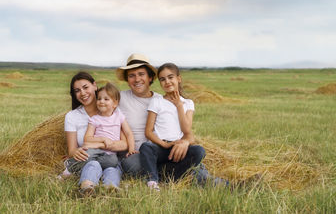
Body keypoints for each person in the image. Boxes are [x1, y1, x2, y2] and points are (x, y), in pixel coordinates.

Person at [117, 54, 228, 187]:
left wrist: (185, 143)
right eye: (131, 75)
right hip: (137, 154)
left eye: (141, 74)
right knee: (132, 164)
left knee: (195, 154)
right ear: (127, 79)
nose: (137, 79)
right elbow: (95, 104)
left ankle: (171, 175)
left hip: (166, 151)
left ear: (150, 77)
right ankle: (181, 174)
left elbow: (187, 133)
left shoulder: (161, 100)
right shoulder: (119, 98)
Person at [58, 72, 128, 194]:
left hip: (110, 158)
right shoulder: (72, 116)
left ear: (94, 86)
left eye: (86, 87)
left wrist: (99, 145)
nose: (83, 93)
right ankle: (87, 187)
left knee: (112, 169)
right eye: (77, 90)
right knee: (93, 164)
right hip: (88, 159)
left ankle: (111, 189)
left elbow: (123, 144)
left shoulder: (112, 111)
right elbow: (72, 150)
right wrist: (78, 154)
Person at [139, 63, 205, 191]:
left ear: (178, 79)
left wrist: (179, 105)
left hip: (178, 148)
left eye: (170, 77)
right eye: (162, 79)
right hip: (160, 148)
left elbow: (187, 131)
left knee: (199, 151)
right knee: (146, 147)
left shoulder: (188, 103)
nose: (167, 82)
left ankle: (171, 176)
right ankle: (152, 182)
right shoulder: (157, 101)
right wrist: (164, 145)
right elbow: (148, 132)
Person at [61, 82, 136, 176]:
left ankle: (83, 167)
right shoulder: (94, 119)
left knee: (113, 162)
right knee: (87, 155)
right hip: (94, 150)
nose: (101, 101)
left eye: (106, 99)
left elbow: (128, 133)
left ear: (115, 103)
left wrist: (131, 149)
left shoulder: (119, 116)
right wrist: (103, 140)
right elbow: (87, 139)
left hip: (110, 154)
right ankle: (69, 169)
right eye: (99, 98)